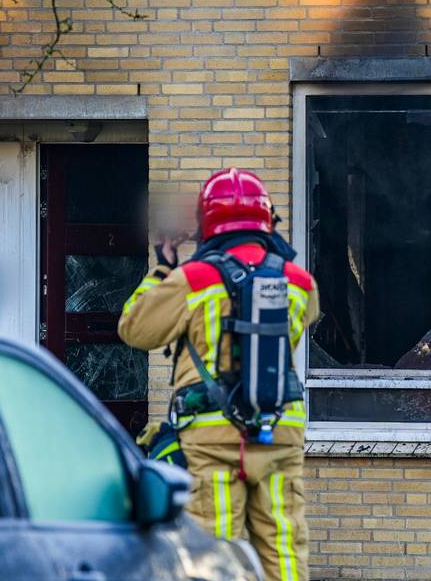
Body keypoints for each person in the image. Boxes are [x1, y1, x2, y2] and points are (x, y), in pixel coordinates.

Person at [119, 168, 317, 581]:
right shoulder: (299, 281)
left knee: (215, 554)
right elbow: (307, 317)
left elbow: (134, 329)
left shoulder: (193, 279)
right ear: (266, 219)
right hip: (280, 429)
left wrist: (162, 268)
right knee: (284, 548)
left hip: (212, 436)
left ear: (207, 220)